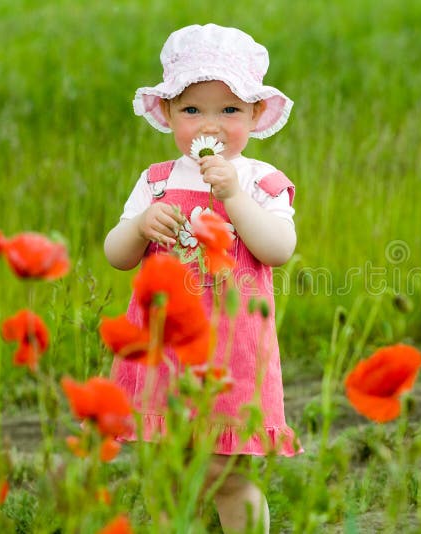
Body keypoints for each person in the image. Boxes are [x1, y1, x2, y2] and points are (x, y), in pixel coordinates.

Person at [103, 23, 300, 533]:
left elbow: (278, 249)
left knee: (225, 470)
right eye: (192, 110)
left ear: (256, 115)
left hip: (231, 350)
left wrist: (234, 197)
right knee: (161, 464)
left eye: (229, 110)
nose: (209, 124)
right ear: (167, 113)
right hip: (162, 345)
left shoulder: (259, 180)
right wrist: (139, 226)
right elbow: (116, 255)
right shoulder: (158, 180)